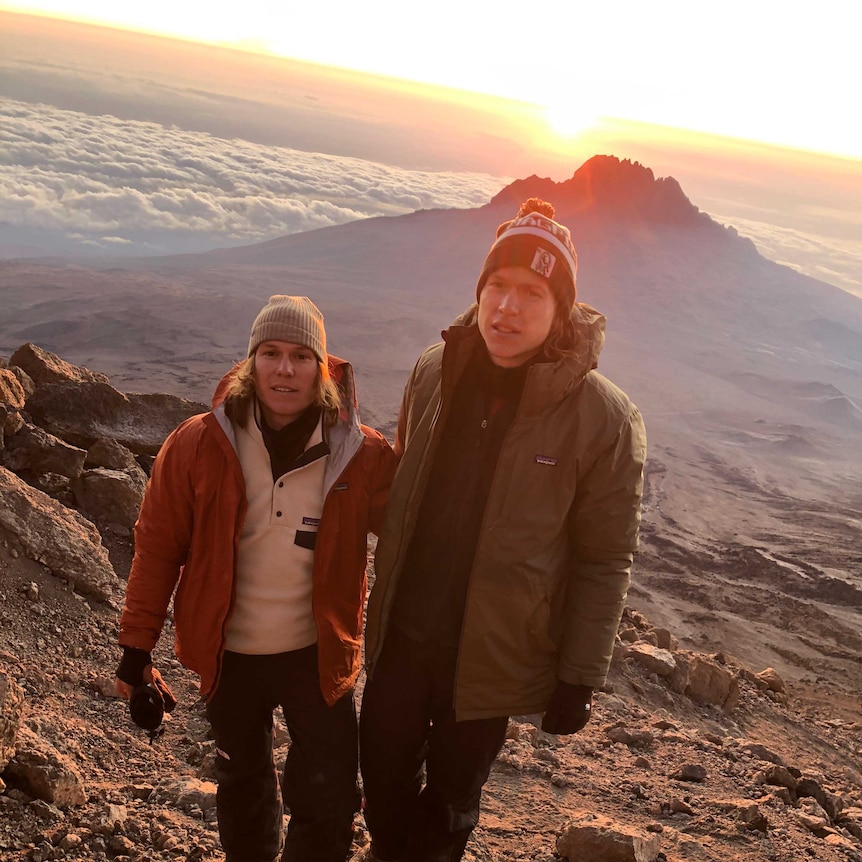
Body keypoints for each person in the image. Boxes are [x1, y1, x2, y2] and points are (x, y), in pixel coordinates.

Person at [356, 199, 647, 862]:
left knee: (452, 803)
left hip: (487, 657)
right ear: (479, 291)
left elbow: (605, 559)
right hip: (404, 633)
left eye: (532, 294)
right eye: (498, 287)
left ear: (561, 309)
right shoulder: (435, 370)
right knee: (381, 780)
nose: (508, 309)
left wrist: (579, 676)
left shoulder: (602, 419)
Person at [114, 295, 397, 862]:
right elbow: (157, 548)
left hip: (316, 656)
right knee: (243, 789)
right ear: (250, 363)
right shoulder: (198, 444)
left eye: (300, 355)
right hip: (231, 654)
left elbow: (412, 539)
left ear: (323, 369)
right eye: (270, 353)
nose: (284, 369)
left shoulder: (360, 457)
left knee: (329, 799)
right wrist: (135, 648)